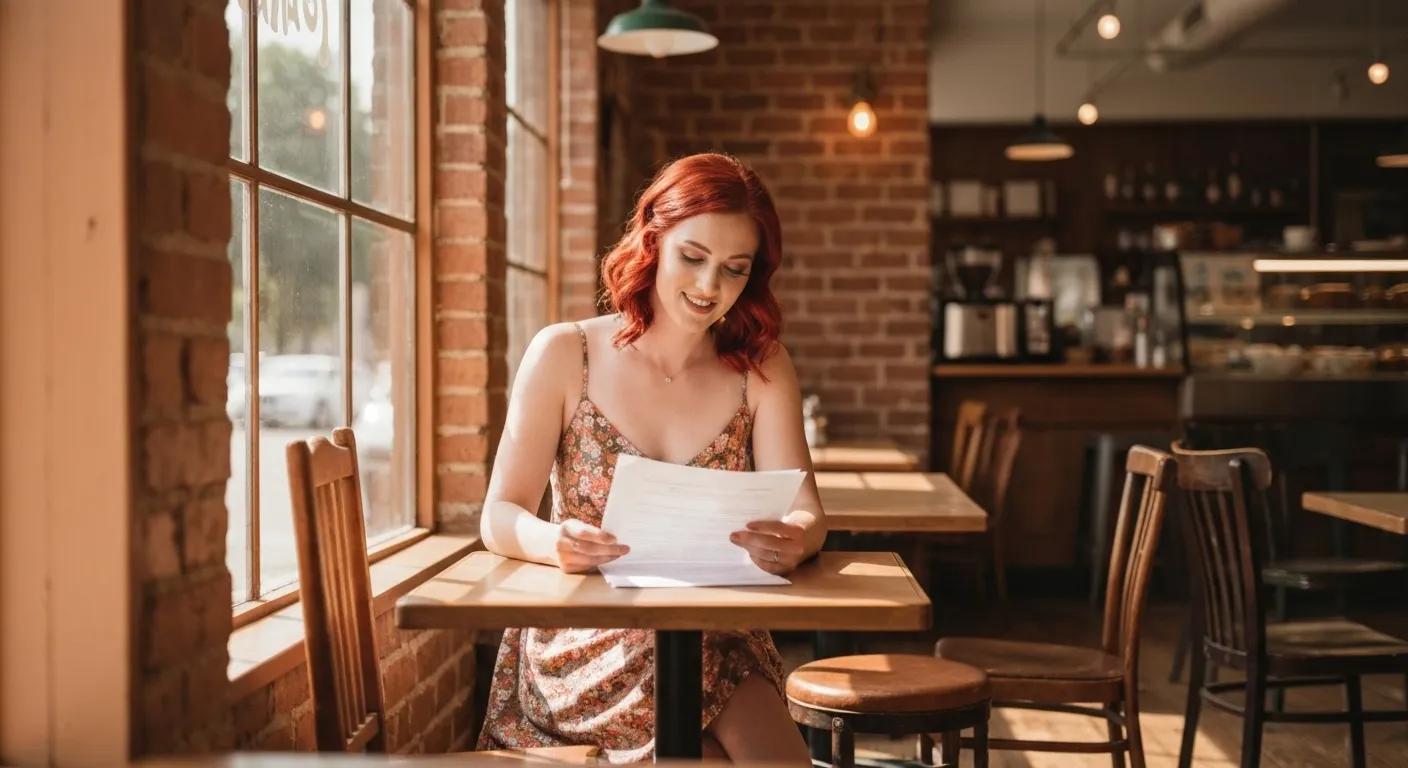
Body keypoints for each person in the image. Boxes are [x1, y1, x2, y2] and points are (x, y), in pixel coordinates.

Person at [476, 152, 826, 764]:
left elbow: (808, 514)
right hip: (584, 641)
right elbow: (499, 514)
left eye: (735, 269)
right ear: (653, 240)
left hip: (713, 628)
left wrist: (795, 537)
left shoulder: (762, 368)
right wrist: (552, 541)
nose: (709, 287)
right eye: (693, 258)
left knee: (719, 667)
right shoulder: (565, 354)